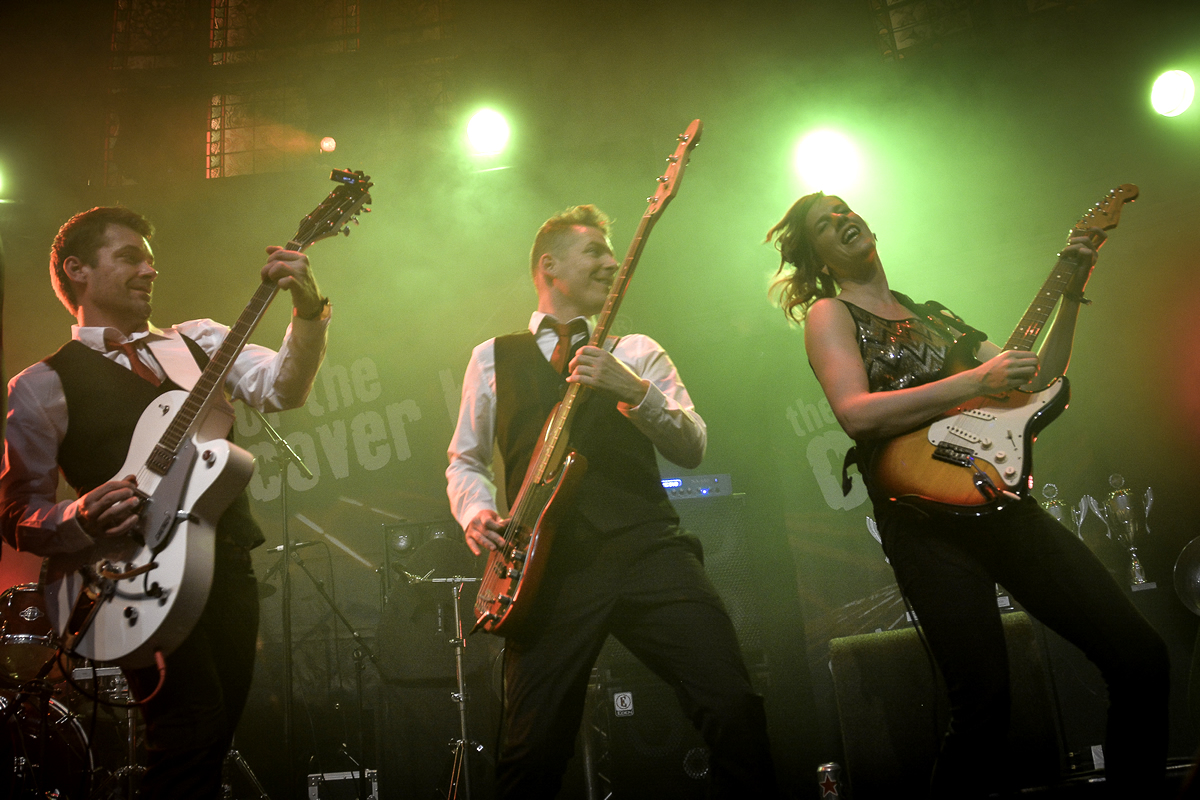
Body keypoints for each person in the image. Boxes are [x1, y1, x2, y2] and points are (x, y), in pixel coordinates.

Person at [766, 192, 1169, 798]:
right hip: (921, 520)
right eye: (826, 224)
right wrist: (974, 380)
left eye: (845, 209)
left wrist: (1071, 285)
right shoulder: (832, 314)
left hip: (996, 500)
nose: (843, 220)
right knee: (983, 709)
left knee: (1140, 657)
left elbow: (1038, 376)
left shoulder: (935, 316)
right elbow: (856, 414)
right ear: (816, 255)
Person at [446, 204, 776, 798]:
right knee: (528, 756)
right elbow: (465, 460)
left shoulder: (639, 348)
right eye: (594, 251)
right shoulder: (491, 356)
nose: (610, 261)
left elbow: (694, 445)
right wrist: (476, 513)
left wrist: (631, 388)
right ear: (549, 266)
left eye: (612, 251)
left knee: (733, 707)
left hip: (646, 548)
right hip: (545, 570)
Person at [0, 206, 329, 799]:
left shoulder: (198, 339)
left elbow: (282, 387)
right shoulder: (40, 385)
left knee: (212, 736)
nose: (150, 270)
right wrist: (78, 515)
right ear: (77, 270)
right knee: (188, 732)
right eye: (130, 257)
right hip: (132, 580)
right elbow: (18, 511)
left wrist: (308, 311)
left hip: (225, 564)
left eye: (151, 258)